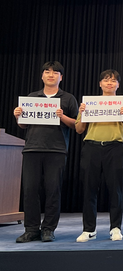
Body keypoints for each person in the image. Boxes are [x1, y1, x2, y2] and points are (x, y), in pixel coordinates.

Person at [13, 61, 78, 243]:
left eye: (55, 72)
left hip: (56, 150)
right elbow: (23, 124)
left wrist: (62, 116)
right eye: (47, 72)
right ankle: (31, 229)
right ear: (42, 76)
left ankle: (48, 229)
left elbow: (77, 125)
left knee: (53, 190)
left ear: (61, 77)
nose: (51, 75)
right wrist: (18, 116)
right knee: (30, 190)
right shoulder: (32, 97)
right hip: (32, 148)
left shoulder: (68, 98)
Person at [74, 69, 123, 242]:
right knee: (89, 189)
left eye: (113, 80)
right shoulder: (90, 103)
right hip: (91, 147)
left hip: (115, 148)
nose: (110, 83)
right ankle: (89, 229)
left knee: (115, 189)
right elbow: (79, 129)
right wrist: (84, 114)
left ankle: (115, 228)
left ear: (118, 85)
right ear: (100, 84)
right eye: (106, 80)